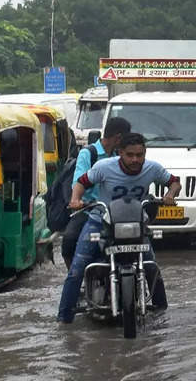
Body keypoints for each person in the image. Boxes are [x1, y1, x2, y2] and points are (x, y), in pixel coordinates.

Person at [57, 132, 181, 324]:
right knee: (77, 269)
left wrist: (170, 194)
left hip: (136, 224)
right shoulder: (103, 167)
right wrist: (75, 200)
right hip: (101, 221)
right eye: (130, 155)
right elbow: (81, 183)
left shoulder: (153, 168)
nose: (135, 160)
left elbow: (174, 182)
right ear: (120, 153)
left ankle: (162, 315)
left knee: (151, 267)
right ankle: (63, 320)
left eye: (139, 155)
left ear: (145, 153)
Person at [61, 116, 129, 268]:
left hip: (115, 212)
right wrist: (78, 201)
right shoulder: (88, 153)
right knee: (69, 241)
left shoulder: (121, 156)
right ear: (118, 138)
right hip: (88, 210)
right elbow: (78, 181)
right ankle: (76, 281)